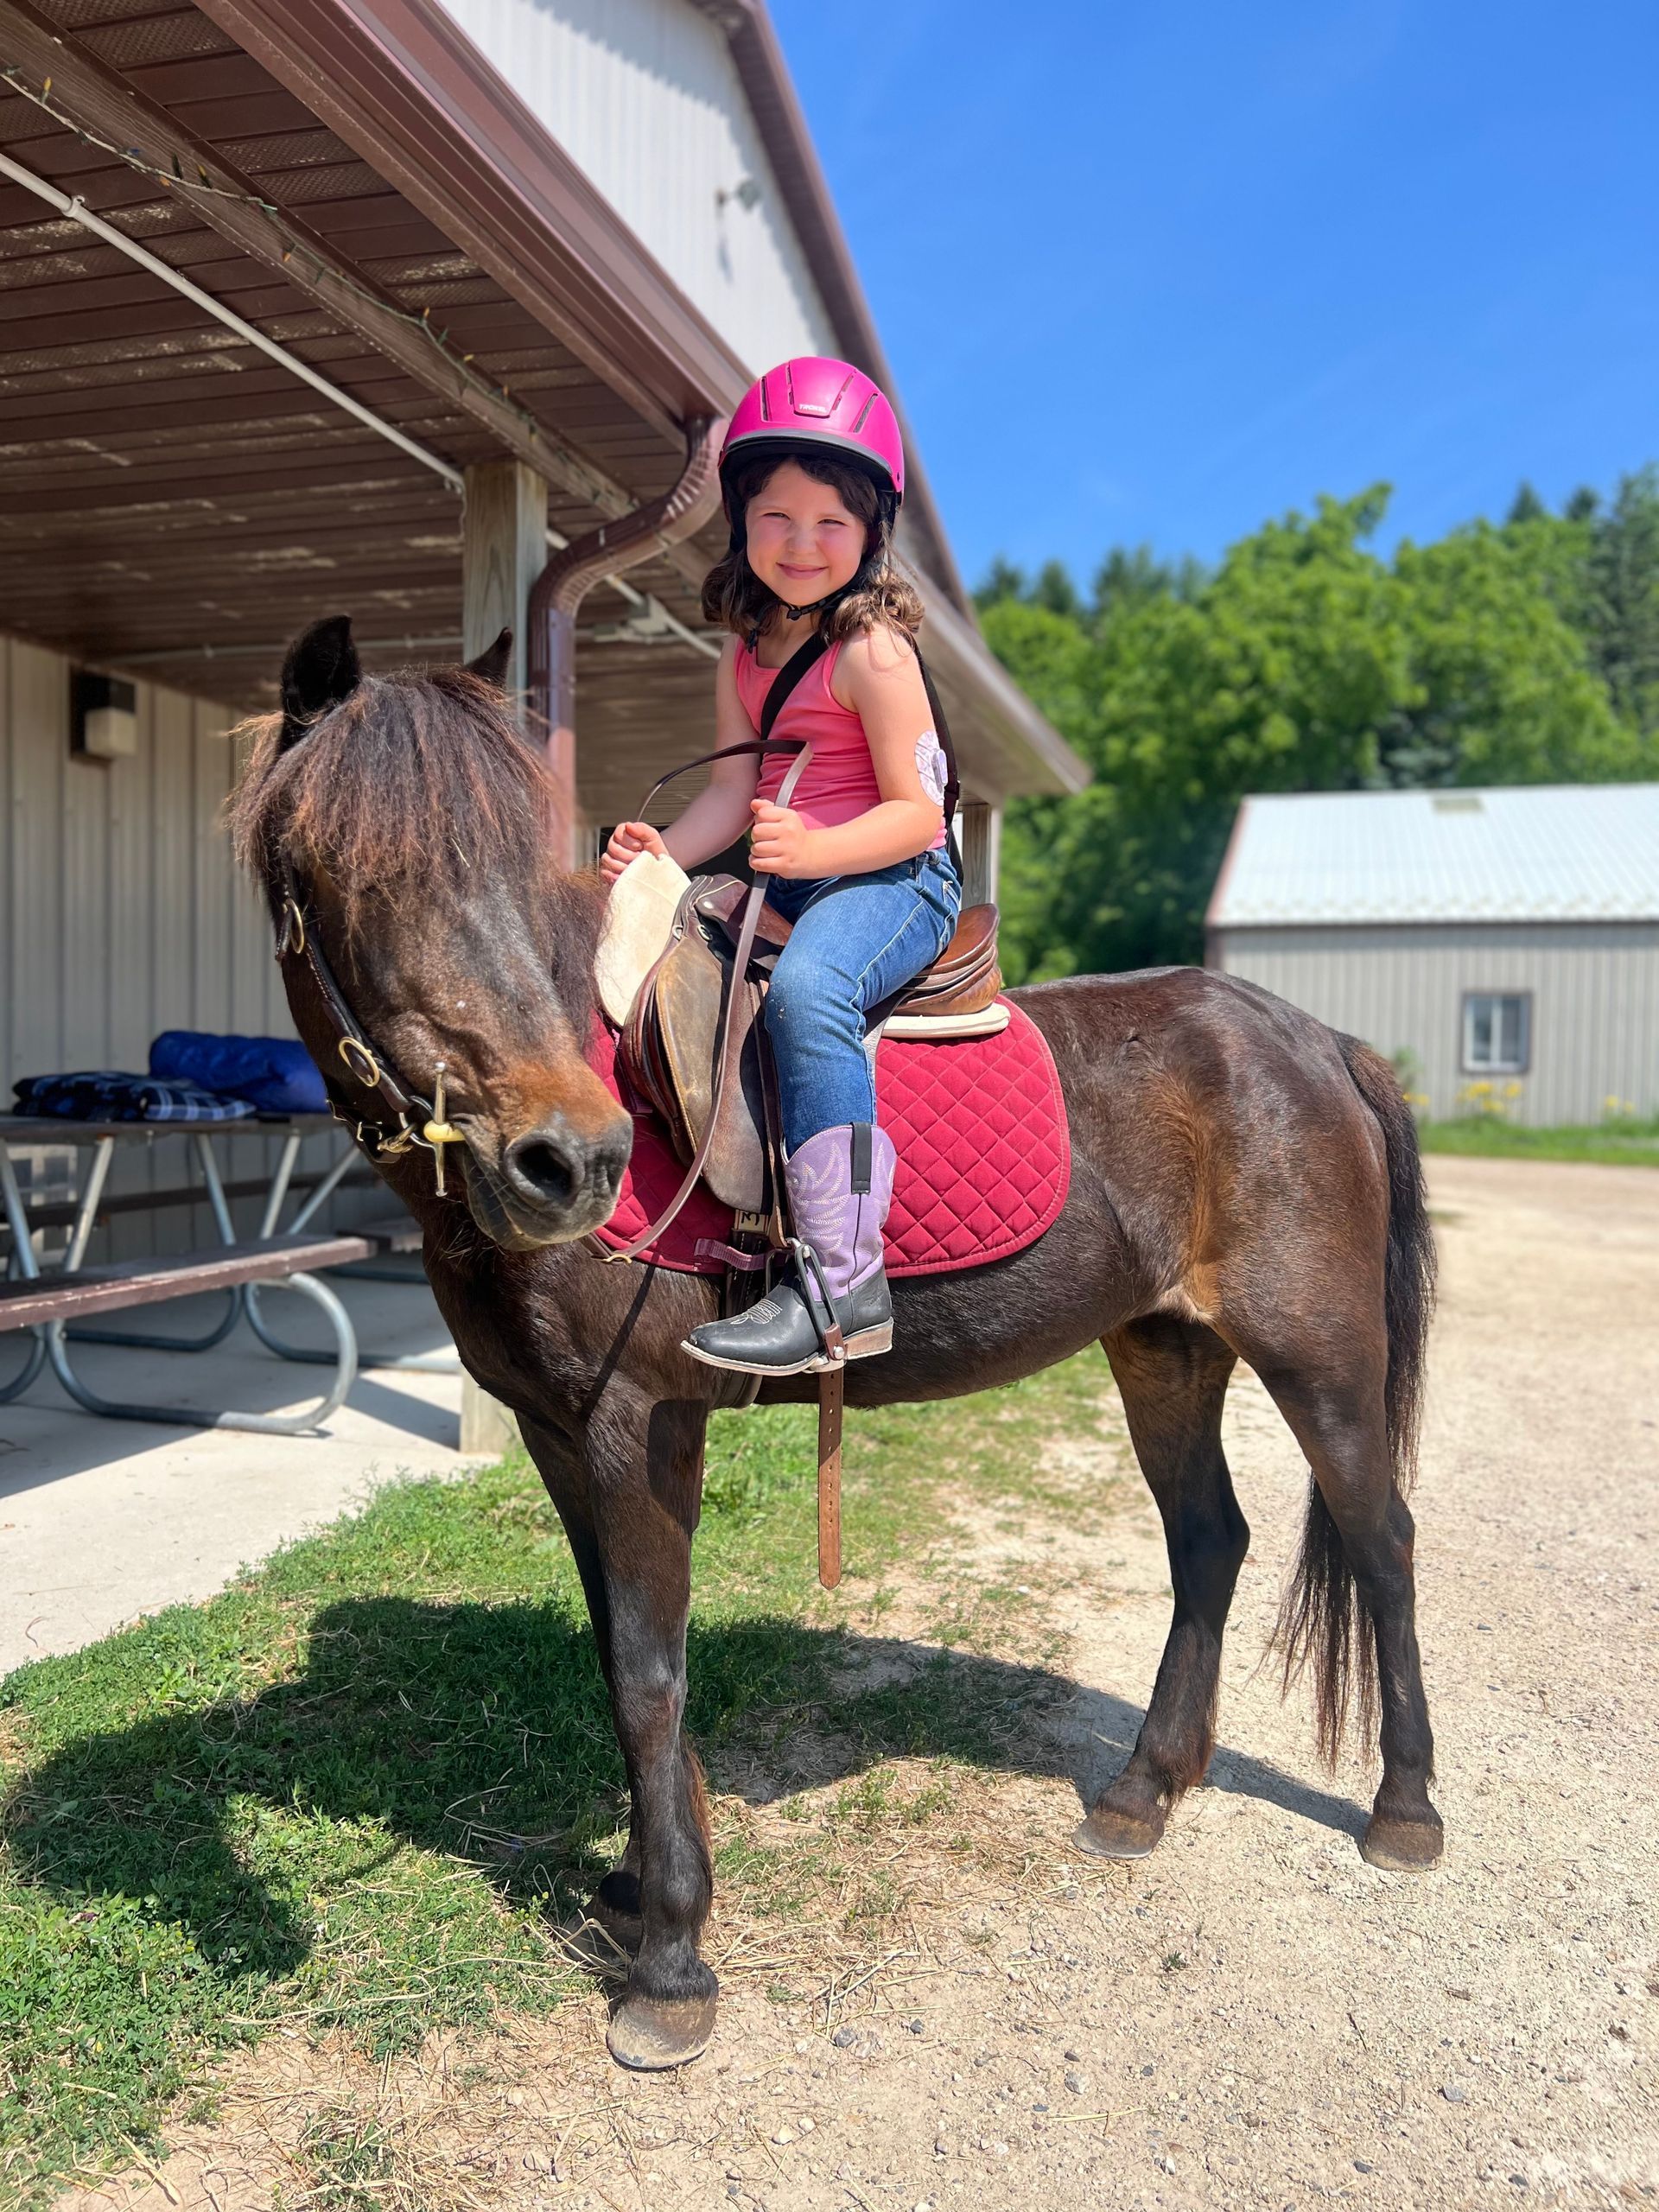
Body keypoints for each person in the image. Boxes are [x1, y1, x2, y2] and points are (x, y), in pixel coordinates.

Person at [600, 356, 961, 1376]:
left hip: (895, 881)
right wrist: (656, 856)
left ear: (872, 533)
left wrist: (814, 848)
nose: (802, 547)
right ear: (741, 519)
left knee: (809, 990)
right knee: (661, 952)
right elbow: (731, 794)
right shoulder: (745, 648)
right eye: (778, 519)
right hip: (794, 870)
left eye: (830, 525)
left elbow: (916, 815)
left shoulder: (872, 654)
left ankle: (844, 1284)